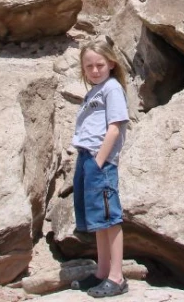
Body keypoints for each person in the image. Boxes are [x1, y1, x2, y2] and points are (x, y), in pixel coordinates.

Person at [71, 38, 130, 298]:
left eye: (100, 65)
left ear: (111, 64)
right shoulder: (93, 92)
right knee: (98, 220)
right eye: (89, 66)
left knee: (110, 218)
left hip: (100, 161)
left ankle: (116, 277)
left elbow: (115, 127)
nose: (95, 70)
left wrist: (98, 161)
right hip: (87, 158)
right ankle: (101, 272)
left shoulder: (112, 88)